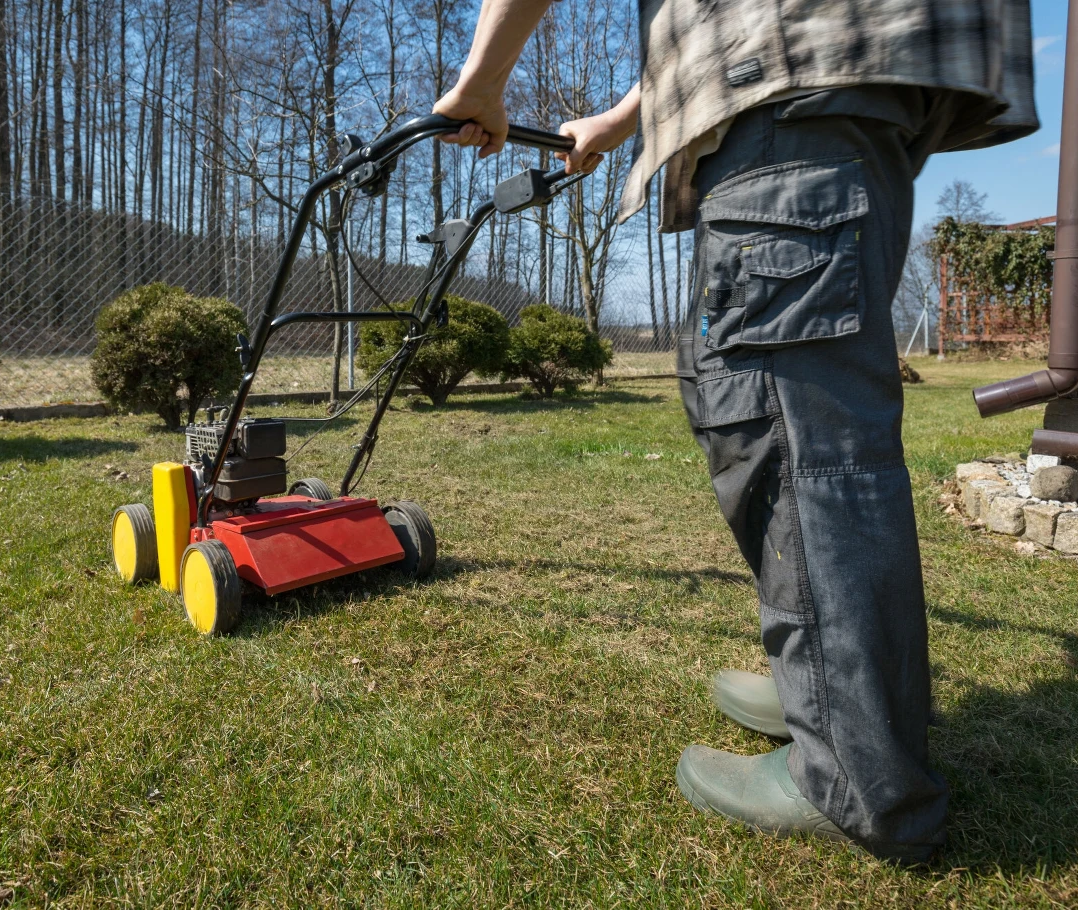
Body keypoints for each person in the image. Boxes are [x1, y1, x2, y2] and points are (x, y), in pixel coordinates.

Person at [434, 0, 1037, 863]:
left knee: (797, 435)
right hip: (823, 89)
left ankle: (856, 783)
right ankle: (833, 695)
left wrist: (482, 82)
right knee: (754, 403)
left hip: (790, 88)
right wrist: (616, 123)